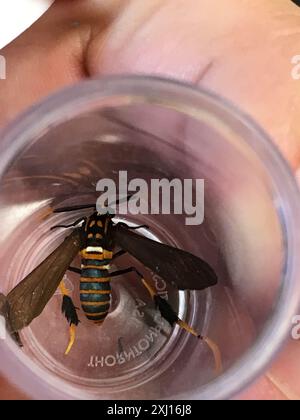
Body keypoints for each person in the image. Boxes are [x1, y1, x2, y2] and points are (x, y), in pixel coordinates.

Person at [0, 0, 300, 400]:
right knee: (140, 273)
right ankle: (160, 328)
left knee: (90, 277)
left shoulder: (78, 238)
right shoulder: (118, 234)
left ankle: (73, 331)